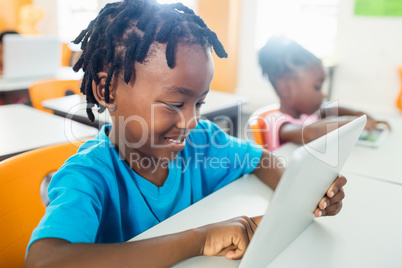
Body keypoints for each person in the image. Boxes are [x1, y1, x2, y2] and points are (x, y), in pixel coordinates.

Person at [25, 1, 346, 267]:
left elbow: (261, 159)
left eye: (199, 103)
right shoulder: (89, 176)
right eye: (175, 103)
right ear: (107, 89)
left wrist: (306, 191)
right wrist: (201, 239)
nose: (192, 120)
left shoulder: (201, 141)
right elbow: (45, 261)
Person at [257, 35, 390, 151]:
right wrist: (355, 123)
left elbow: (333, 109)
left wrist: (358, 114)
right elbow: (310, 133)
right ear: (285, 88)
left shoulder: (305, 114)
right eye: (317, 87)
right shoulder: (277, 123)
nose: (323, 94)